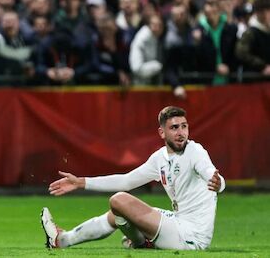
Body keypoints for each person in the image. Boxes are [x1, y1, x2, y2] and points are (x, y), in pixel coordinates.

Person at [41, 106, 225, 251]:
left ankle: (141, 243)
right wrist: (81, 182)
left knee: (119, 200)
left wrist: (219, 184)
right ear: (162, 133)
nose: (181, 132)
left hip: (191, 237)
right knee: (117, 212)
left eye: (184, 126)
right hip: (178, 222)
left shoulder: (195, 151)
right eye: (174, 127)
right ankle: (63, 240)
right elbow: (126, 181)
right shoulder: (160, 158)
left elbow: (209, 171)